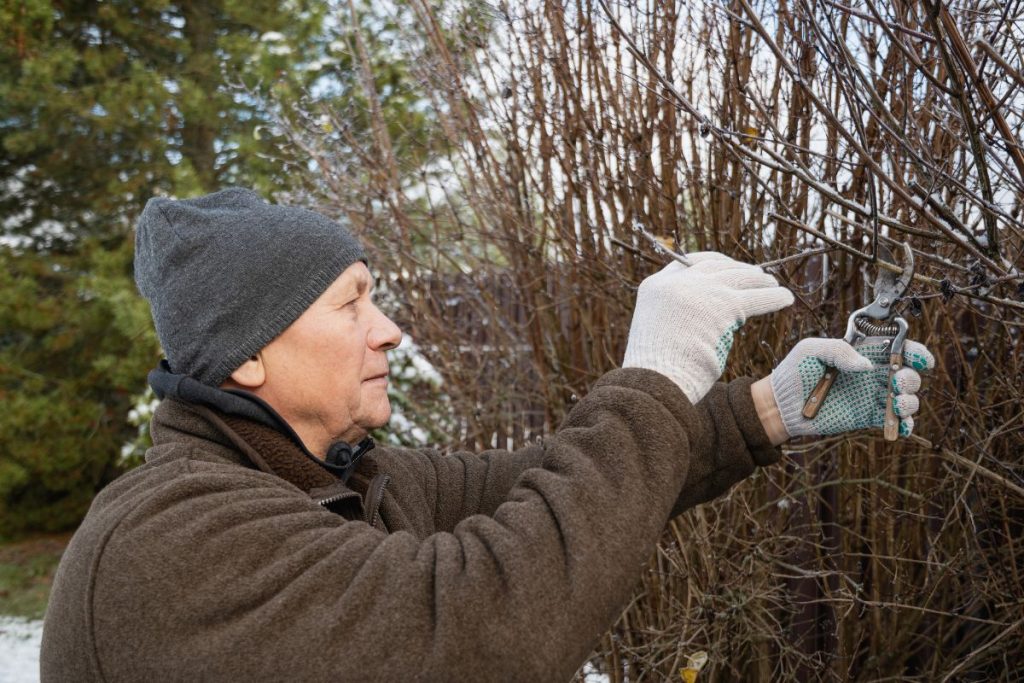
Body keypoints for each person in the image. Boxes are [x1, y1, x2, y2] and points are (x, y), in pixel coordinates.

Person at [40, 188, 933, 681]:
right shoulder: (172, 542)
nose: (388, 329)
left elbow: (547, 486)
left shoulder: (338, 481)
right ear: (247, 358)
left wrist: (764, 412)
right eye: (351, 302)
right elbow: (482, 627)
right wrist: (655, 368)